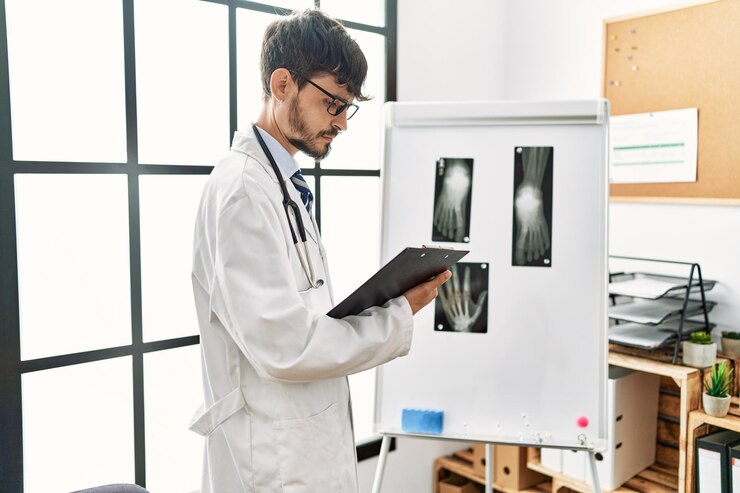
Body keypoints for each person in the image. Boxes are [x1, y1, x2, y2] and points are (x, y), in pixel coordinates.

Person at [188, 9, 451, 493]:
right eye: (334, 104)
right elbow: (285, 348)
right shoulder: (244, 191)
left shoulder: (279, 183)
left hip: (299, 444)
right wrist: (399, 312)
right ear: (283, 84)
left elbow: (300, 316)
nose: (342, 124)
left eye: (347, 108)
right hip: (270, 461)